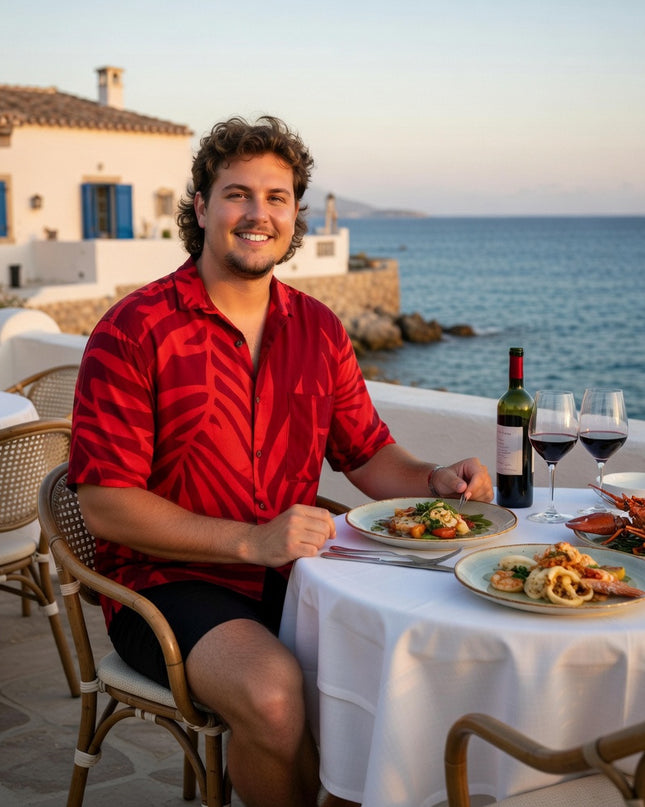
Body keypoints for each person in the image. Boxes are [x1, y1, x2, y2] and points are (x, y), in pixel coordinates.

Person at [68, 115, 493, 807]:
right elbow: (104, 503)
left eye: (277, 197)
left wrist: (432, 478)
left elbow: (367, 454)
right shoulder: (134, 329)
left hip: (300, 577)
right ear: (201, 206)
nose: (257, 213)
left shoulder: (318, 329)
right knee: (271, 696)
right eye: (237, 194)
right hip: (167, 584)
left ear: (294, 214)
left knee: (410, 675)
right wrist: (249, 539)